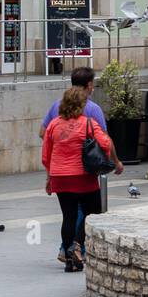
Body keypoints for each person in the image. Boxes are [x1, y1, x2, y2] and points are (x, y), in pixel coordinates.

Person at [42, 86, 123, 272]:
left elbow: (46, 155)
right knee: (92, 212)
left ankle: (70, 258)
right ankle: (78, 245)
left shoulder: (54, 124)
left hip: (60, 177)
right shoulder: (88, 123)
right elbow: (105, 143)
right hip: (83, 177)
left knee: (68, 216)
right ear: (81, 104)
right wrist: (116, 162)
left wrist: (49, 178)